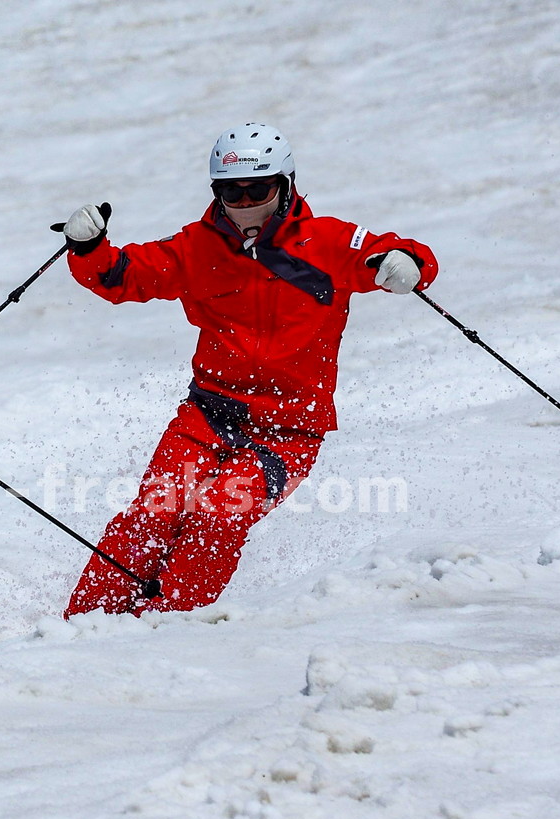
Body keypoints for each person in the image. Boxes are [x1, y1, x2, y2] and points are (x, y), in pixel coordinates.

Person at [55, 124, 438, 618]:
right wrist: (88, 249)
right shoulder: (196, 247)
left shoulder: (329, 242)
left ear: (287, 184)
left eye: (258, 188)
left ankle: (167, 627)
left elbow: (401, 254)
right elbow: (120, 276)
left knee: (218, 514)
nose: (244, 201)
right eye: (230, 190)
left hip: (289, 430)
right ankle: (82, 628)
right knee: (153, 514)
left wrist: (408, 263)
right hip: (207, 417)